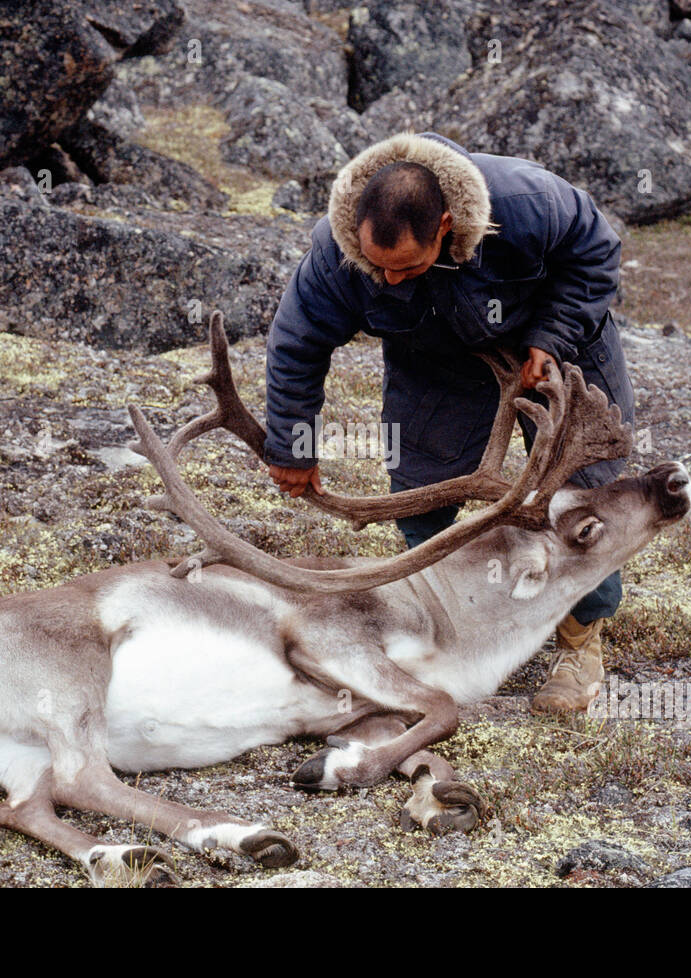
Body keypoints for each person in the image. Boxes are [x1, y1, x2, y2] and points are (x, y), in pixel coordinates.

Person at [262, 131, 633, 714]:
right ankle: (451, 619)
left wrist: (552, 339)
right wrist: (290, 443)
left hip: (556, 343)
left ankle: (579, 643)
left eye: (406, 267)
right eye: (376, 267)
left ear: (446, 224)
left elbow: (595, 255)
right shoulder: (336, 256)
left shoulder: (528, 201)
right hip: (437, 360)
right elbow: (297, 344)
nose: (389, 281)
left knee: (584, 494)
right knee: (419, 491)